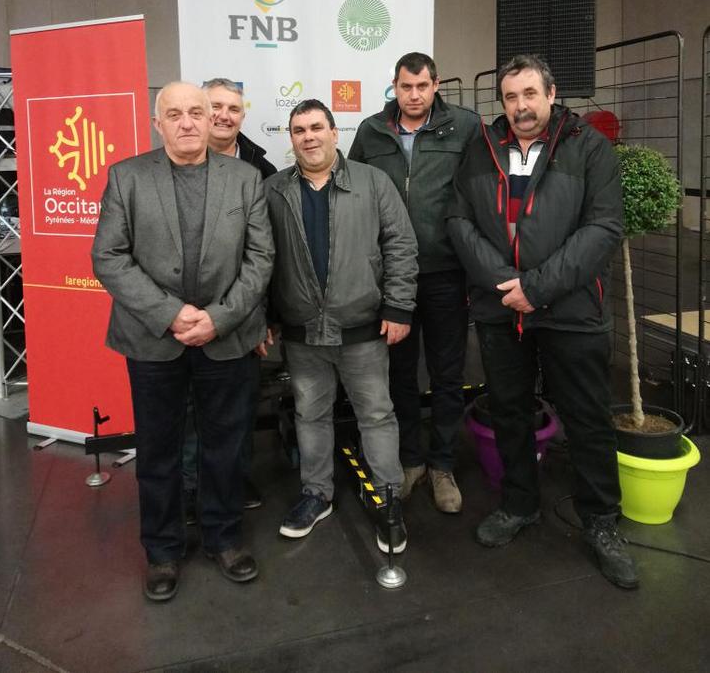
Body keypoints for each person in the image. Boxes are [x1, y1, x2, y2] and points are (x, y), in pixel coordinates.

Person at [446, 54, 638, 589]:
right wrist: (507, 284)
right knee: (509, 410)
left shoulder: (589, 147)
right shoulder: (482, 148)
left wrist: (537, 287)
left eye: (530, 94)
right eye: (511, 97)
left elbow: (603, 228)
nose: (521, 107)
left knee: (588, 418)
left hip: (572, 310)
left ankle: (602, 522)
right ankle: (518, 504)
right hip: (499, 306)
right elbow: (458, 220)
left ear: (552, 95)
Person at [92, 82, 274, 602]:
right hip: (152, 340)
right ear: (158, 123)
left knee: (225, 447)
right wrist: (172, 314)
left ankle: (223, 537)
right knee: (158, 450)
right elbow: (109, 257)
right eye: (176, 114)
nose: (190, 121)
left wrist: (217, 318)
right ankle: (163, 550)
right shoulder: (127, 177)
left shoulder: (245, 180)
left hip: (227, 336)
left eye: (198, 111)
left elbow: (260, 259)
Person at [264, 99, 418, 552]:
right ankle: (316, 494)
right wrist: (265, 319)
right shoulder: (274, 190)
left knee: (376, 415)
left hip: (363, 329)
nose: (308, 137)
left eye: (316, 127)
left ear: (335, 133)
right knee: (310, 415)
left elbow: (401, 245)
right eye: (298, 130)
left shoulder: (373, 183)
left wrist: (400, 307)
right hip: (303, 333)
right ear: (290, 138)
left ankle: (389, 498)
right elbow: (262, 260)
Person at [349, 52, 478, 513]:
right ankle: (411, 460)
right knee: (399, 374)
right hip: (391, 278)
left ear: (436, 84)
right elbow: (355, 190)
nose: (415, 95)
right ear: (395, 87)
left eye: (423, 86)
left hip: (446, 272)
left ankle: (443, 464)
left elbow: (480, 188)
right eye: (406, 87)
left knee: (447, 374)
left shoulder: (464, 126)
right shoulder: (371, 131)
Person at [181, 78, 276, 521]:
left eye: (233, 108)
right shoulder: (164, 166)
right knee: (186, 416)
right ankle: (188, 489)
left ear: (243, 115)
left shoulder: (262, 169)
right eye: (213, 106)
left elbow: (268, 255)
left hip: (241, 317)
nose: (223, 115)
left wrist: (257, 318)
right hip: (179, 320)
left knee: (237, 413)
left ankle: (231, 485)